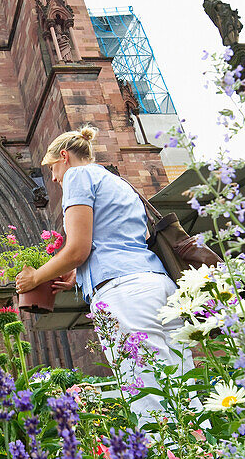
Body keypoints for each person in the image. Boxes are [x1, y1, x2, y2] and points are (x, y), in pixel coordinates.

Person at [15, 125, 191, 420]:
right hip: (158, 285)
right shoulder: (118, 181)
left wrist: (36, 278)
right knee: (184, 393)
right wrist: (77, 274)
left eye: (53, 170)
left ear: (64, 157)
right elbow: (109, 240)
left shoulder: (77, 176)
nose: (55, 179)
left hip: (126, 296)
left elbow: (77, 249)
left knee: (149, 400)